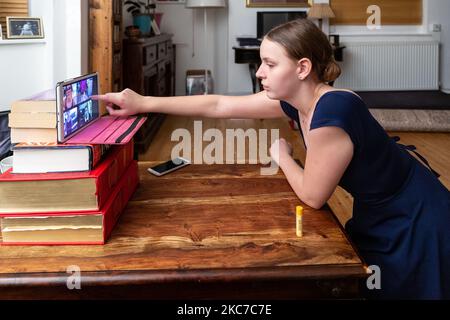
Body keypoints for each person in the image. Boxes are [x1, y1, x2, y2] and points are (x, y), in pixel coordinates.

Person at [93, 19, 450, 299]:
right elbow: (220, 104)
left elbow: (313, 195)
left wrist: (282, 155)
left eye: (269, 63)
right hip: (380, 207)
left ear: (302, 68)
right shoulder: (295, 100)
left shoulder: (333, 113)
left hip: (415, 216)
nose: (259, 72)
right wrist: (143, 102)